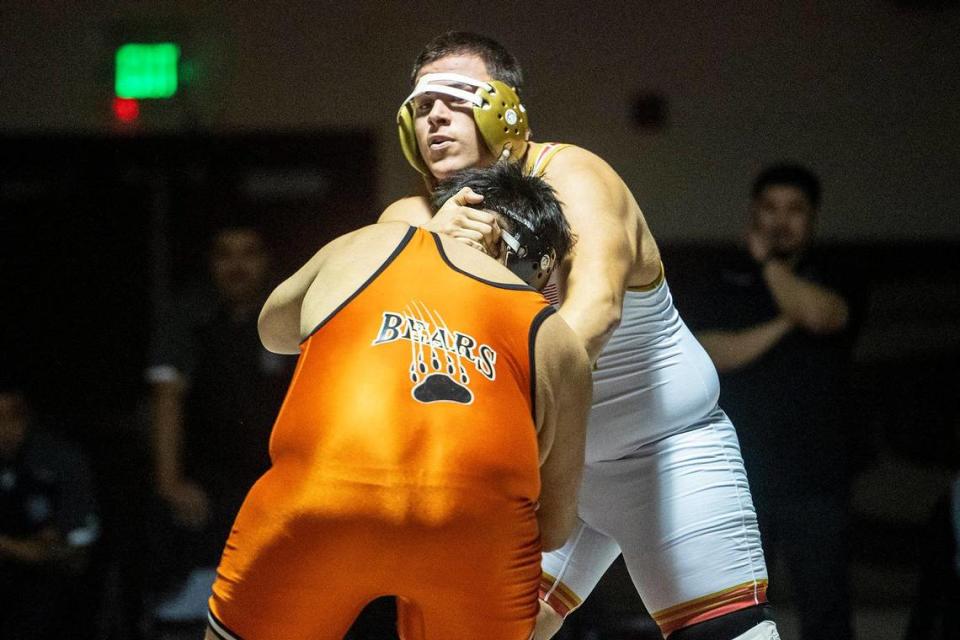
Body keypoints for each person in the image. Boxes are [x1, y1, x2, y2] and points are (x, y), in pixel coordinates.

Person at [380, 31, 779, 640]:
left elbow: (596, 311)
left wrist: (498, 425)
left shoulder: (574, 176)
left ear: (506, 109)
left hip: (663, 450)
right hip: (559, 465)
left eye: (455, 96)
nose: (433, 114)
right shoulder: (420, 216)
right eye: (420, 105)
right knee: (475, 632)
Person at [204, 163, 592, 640]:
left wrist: (416, 249)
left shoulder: (370, 244)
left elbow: (274, 330)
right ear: (541, 266)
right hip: (474, 541)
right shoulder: (557, 340)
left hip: (316, 507)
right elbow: (553, 529)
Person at [689, 164, 867, 640]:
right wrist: (788, 321)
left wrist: (771, 268)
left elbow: (824, 315)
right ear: (752, 212)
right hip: (737, 474)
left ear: (813, 218)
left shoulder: (836, 272)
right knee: (737, 613)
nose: (779, 221)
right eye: (769, 208)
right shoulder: (721, 276)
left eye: (794, 210)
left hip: (820, 475)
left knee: (826, 609)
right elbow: (712, 356)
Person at [146, 224, 294, 634]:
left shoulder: (290, 309)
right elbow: (167, 396)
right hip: (209, 475)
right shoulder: (189, 315)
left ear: (266, 261)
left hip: (283, 471)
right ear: (210, 264)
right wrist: (170, 480)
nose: (237, 266)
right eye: (225, 255)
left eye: (248, 253)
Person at [0, 383, 100, 640]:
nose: (5, 427)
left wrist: (27, 549)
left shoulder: (59, 460)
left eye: (13, 415)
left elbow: (70, 552)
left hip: (53, 585)